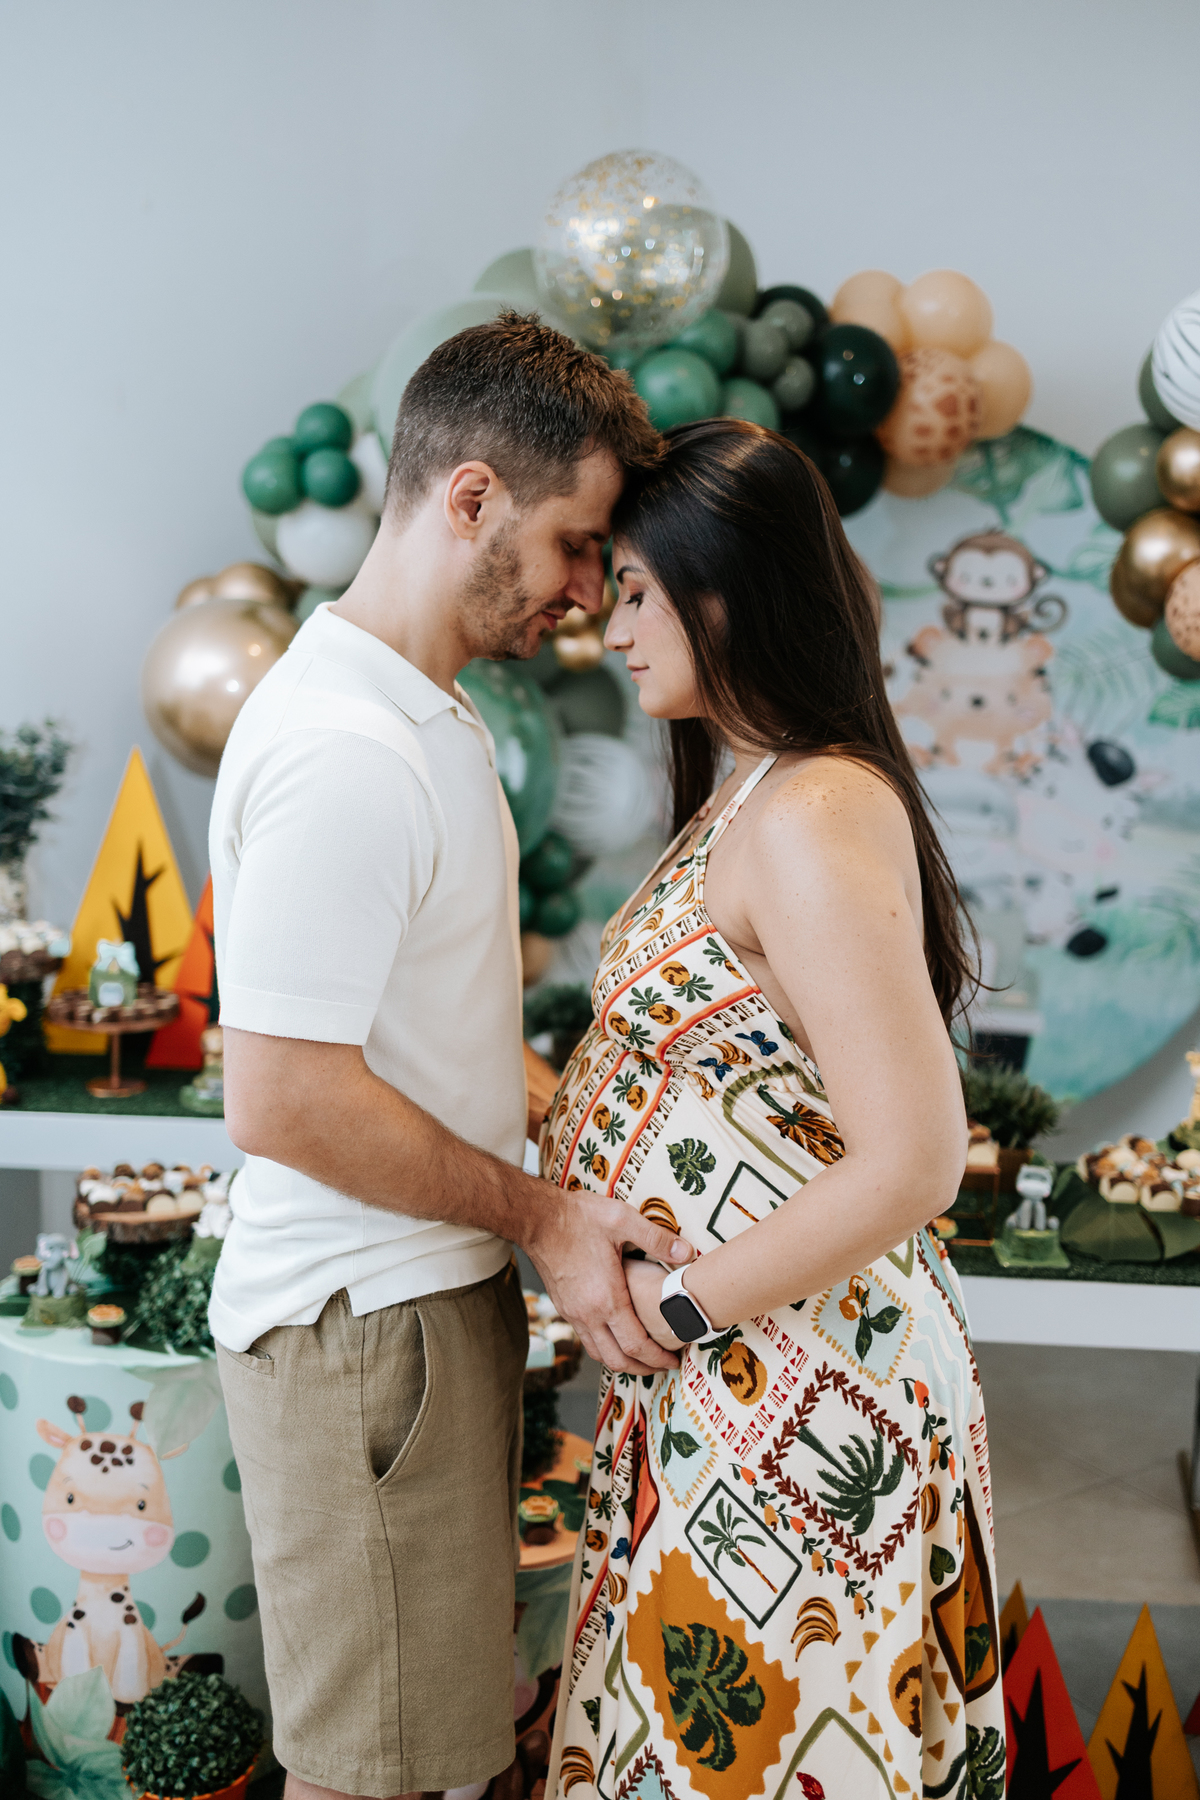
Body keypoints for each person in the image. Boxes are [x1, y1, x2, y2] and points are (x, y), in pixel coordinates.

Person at [208, 314, 697, 1800]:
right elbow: (284, 1096)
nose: (583, 592)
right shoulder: (347, 749)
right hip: (368, 1332)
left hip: (420, 1315)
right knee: (376, 1779)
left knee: (427, 1759)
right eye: (575, 545)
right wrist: (547, 1219)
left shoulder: (428, 723)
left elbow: (420, 1046)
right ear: (470, 496)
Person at [545, 419, 1005, 1800]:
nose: (609, 623)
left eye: (635, 588)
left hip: (803, 1389)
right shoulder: (748, 793)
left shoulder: (811, 807)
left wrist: (680, 1311)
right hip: (731, 1382)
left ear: (726, 589)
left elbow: (918, 1155)